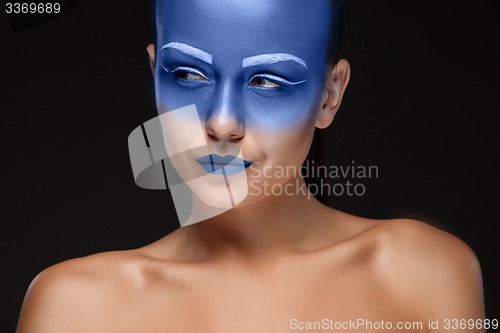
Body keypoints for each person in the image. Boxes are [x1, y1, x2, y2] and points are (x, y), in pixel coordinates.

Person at [16, 0, 485, 332]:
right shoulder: (75, 309)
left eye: (267, 81)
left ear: (330, 94)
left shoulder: (424, 273)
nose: (222, 122)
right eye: (188, 75)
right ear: (154, 73)